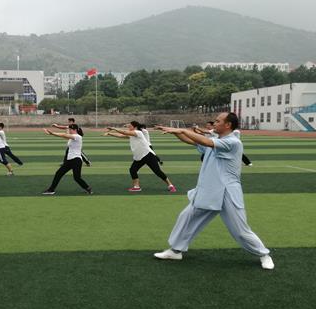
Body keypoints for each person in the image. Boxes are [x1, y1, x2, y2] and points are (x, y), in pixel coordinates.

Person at [153, 112, 274, 270]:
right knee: (187, 216)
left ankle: (264, 254)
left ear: (228, 125)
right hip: (209, 190)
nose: (213, 123)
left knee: (240, 230)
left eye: (217, 121)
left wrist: (181, 130)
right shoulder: (217, 140)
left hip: (228, 193)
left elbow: (204, 141)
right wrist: (176, 133)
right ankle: (176, 250)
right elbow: (193, 141)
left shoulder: (233, 143)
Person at [104, 121, 176, 193]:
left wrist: (113, 128)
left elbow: (124, 132)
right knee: (132, 170)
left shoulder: (138, 132)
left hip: (147, 155)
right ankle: (136, 187)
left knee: (157, 171)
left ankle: (170, 185)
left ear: (135, 127)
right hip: (139, 157)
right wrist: (110, 133)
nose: (128, 127)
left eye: (130, 126)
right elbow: (121, 135)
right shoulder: (131, 134)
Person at [42, 124, 92, 195]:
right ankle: (51, 190)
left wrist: (52, 133)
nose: (69, 130)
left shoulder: (78, 137)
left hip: (76, 160)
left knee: (77, 178)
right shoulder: (72, 138)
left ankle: (88, 188)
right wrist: (52, 134)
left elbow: (64, 135)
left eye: (70, 129)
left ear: (74, 129)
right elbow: (63, 136)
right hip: (69, 160)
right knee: (58, 173)